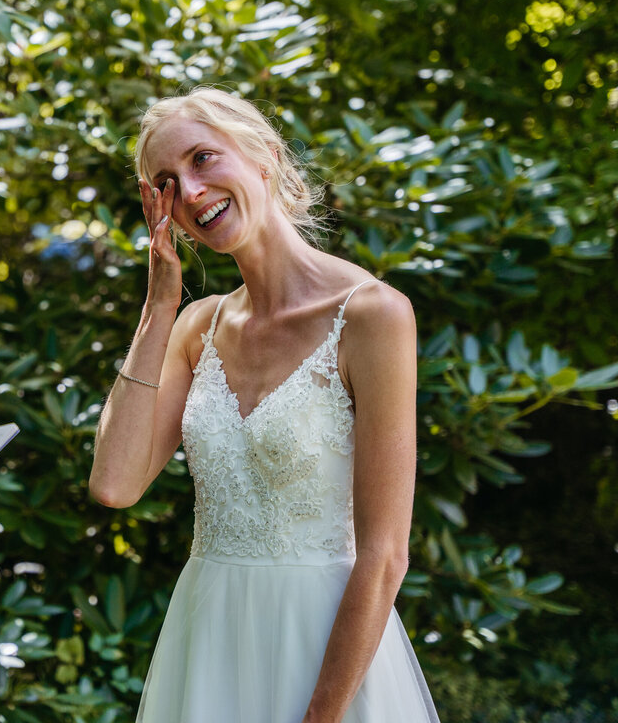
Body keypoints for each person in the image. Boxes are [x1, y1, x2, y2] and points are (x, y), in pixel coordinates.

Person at [89, 87, 439, 722]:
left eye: (203, 159)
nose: (191, 191)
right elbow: (114, 483)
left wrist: (322, 716)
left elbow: (385, 554)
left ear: (263, 157)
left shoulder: (372, 316)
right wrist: (157, 304)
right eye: (166, 182)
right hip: (208, 646)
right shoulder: (196, 328)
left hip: (327, 654)